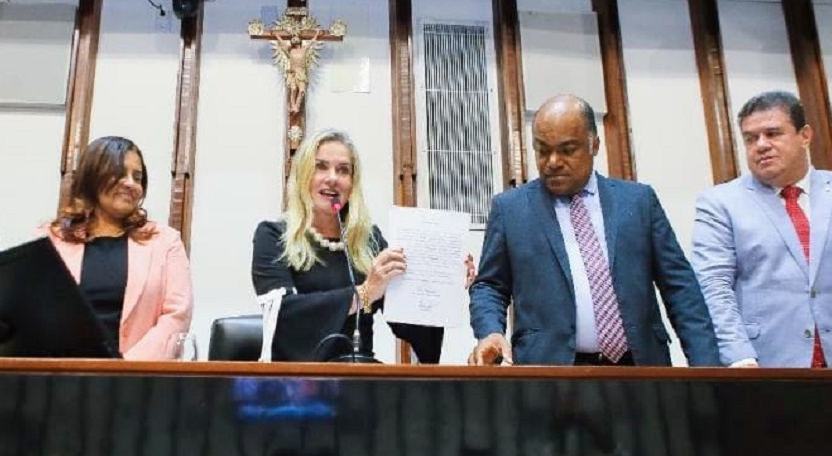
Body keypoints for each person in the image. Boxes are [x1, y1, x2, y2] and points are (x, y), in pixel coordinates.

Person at [469, 95, 720, 367]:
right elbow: (490, 285)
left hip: (640, 368)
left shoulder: (638, 202)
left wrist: (706, 369)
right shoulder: (511, 209)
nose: (553, 161)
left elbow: (680, 288)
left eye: (567, 150)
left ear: (594, 145)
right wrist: (490, 331)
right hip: (549, 371)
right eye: (542, 150)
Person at [251, 128, 476, 363]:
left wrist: (443, 282)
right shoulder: (274, 236)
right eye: (320, 167)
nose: (332, 178)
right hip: (297, 376)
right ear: (303, 175)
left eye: (343, 170)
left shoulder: (370, 242)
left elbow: (409, 320)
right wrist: (365, 294)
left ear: (352, 183)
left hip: (360, 374)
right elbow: (283, 314)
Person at [692, 91, 832, 368]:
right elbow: (713, 285)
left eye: (773, 133)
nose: (761, 145)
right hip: (764, 364)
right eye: (750, 138)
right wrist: (738, 355)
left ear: (805, 135)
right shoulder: (720, 203)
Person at [45, 136, 192, 360]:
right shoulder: (52, 238)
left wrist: (124, 369)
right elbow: (35, 313)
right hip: (64, 373)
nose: (131, 184)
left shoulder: (165, 241)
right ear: (93, 176)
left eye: (138, 177)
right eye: (120, 173)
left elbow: (177, 314)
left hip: (139, 374)